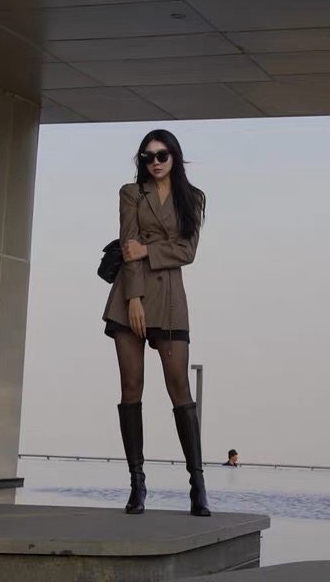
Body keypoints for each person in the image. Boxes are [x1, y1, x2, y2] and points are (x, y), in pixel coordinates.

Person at [102, 129, 209, 517]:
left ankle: (198, 485)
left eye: (162, 155)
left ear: (174, 156)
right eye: (148, 157)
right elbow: (127, 245)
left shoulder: (192, 198)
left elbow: (188, 251)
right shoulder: (131, 194)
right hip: (130, 296)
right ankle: (137, 484)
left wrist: (148, 249)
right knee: (131, 387)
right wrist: (133, 299)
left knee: (179, 387)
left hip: (170, 299)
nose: (156, 162)